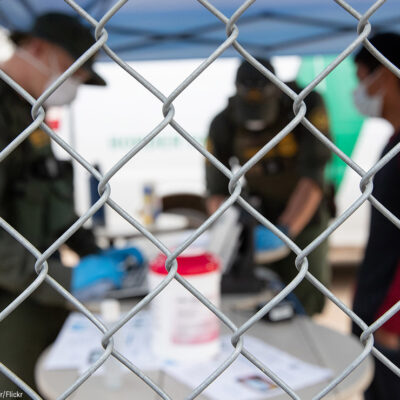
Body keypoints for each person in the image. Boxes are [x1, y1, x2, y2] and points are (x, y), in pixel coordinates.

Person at [0, 13, 142, 393]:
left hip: (43, 295)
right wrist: (67, 278)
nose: (74, 85)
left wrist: (95, 253)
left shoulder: (31, 116)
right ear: (36, 49)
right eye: (70, 70)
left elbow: (48, 202)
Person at [205, 58, 332, 316]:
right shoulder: (224, 122)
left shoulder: (305, 106)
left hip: (305, 218)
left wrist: (285, 232)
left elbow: (314, 177)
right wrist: (226, 235)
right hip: (260, 218)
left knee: (305, 298)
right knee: (261, 298)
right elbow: (216, 190)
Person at [351, 32, 400, 399]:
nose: (359, 93)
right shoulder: (393, 142)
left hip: (390, 326)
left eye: (361, 79)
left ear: (383, 75)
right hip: (376, 314)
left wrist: (392, 320)